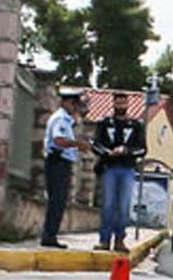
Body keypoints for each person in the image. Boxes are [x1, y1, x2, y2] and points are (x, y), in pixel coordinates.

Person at [92, 92, 149, 253]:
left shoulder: (136, 125)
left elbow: (143, 149)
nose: (121, 107)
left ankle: (119, 239)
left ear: (128, 105)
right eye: (118, 103)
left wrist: (127, 151)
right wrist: (107, 152)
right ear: (113, 104)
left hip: (127, 169)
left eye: (123, 104)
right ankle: (104, 239)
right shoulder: (104, 123)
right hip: (109, 168)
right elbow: (96, 144)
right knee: (108, 205)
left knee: (123, 206)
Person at [40, 88, 90, 248]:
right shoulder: (61, 119)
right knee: (57, 201)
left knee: (59, 201)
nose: (75, 107)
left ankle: (50, 235)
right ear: (64, 102)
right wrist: (77, 144)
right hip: (58, 162)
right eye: (73, 103)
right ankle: (48, 236)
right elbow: (59, 140)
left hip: (61, 162)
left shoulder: (66, 120)